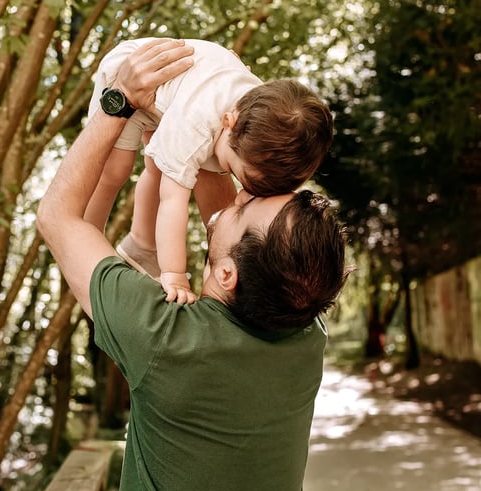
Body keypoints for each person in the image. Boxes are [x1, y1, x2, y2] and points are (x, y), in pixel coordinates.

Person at [37, 38, 349, 491]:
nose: (233, 199)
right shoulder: (303, 336)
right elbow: (217, 205)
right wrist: (201, 118)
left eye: (244, 204)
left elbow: (60, 217)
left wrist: (116, 100)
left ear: (228, 275)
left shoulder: (164, 337)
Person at [83, 38, 334, 304]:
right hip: (134, 73)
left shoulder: (264, 115)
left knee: (159, 168)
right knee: (115, 170)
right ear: (229, 122)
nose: (239, 193)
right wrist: (174, 273)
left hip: (184, 91)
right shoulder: (198, 127)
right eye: (233, 170)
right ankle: (86, 236)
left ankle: (141, 244)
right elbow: (172, 201)